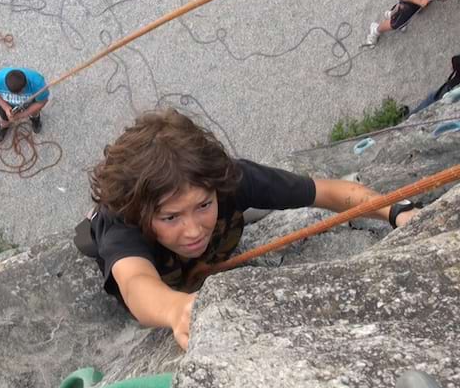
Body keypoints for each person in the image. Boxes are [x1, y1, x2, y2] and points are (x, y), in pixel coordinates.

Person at [76, 109, 420, 350]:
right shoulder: (123, 219)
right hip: (162, 276)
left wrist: (397, 211)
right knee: (98, 245)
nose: (194, 229)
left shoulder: (229, 179)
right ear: (141, 212)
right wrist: (175, 310)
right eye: (171, 217)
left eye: (203, 206)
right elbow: (136, 282)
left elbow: (327, 192)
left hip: (205, 256)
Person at [0, 67, 50, 142]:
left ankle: (35, 119)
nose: (17, 96)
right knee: (4, 118)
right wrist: (5, 107)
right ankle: (4, 126)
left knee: (34, 112)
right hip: (6, 103)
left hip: (30, 102)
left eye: (19, 93)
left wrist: (22, 114)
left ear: (25, 86)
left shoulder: (38, 84)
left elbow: (42, 102)